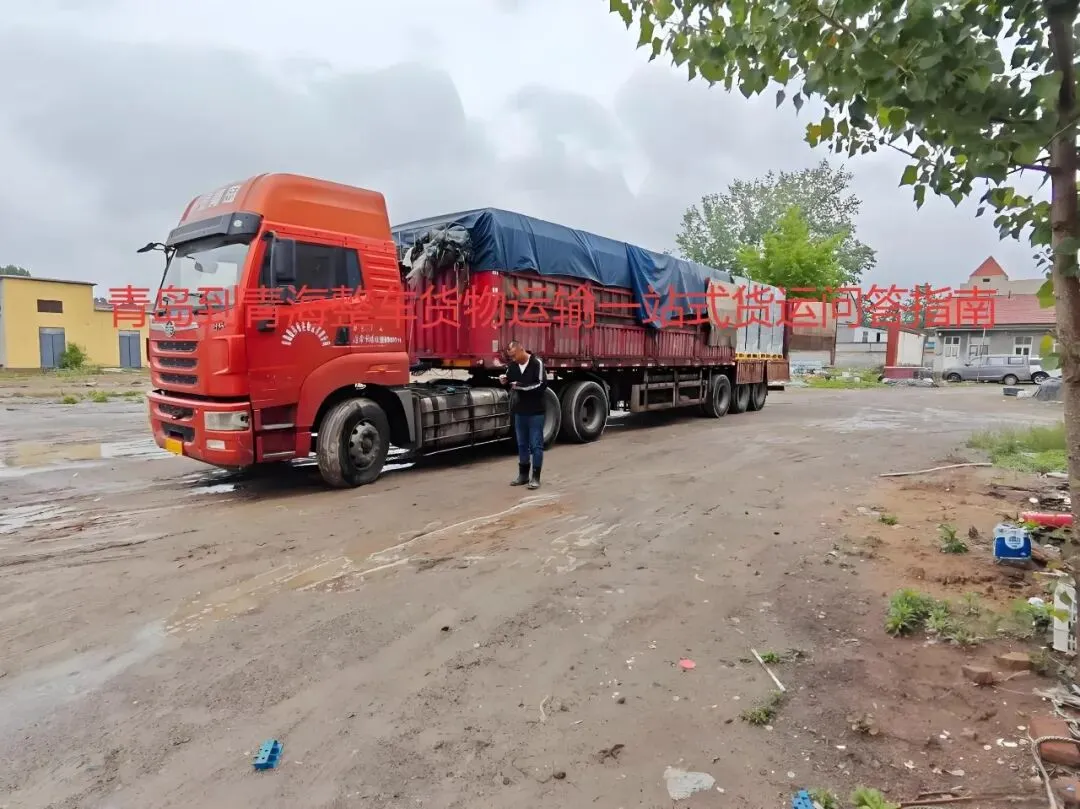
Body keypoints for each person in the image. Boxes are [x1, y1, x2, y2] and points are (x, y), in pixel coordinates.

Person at [499, 340, 546, 489]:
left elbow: (541, 384)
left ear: (521, 349)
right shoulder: (512, 366)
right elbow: (510, 381)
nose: (513, 359)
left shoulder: (536, 363)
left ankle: (536, 477)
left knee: (536, 445)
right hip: (520, 412)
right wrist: (504, 380)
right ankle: (523, 475)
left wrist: (520, 387)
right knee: (522, 444)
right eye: (511, 357)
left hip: (535, 411)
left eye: (514, 355)